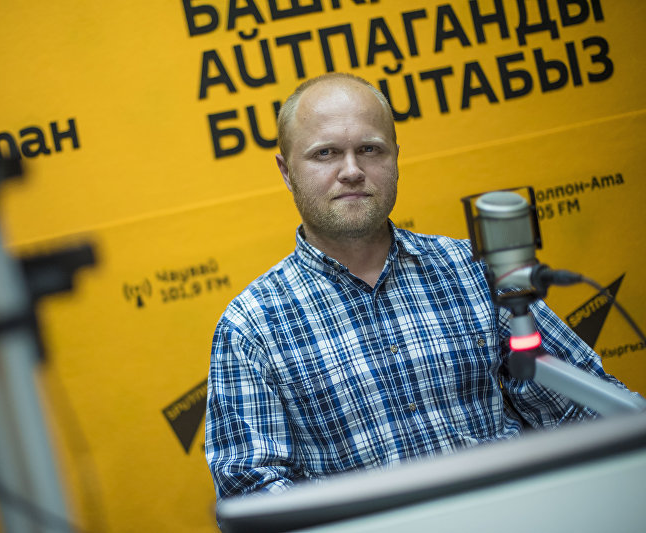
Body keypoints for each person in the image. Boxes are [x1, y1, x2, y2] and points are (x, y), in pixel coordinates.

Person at [204, 72, 633, 500]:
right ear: (287, 171)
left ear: (395, 157)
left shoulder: (474, 270)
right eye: (325, 153)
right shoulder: (251, 327)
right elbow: (253, 488)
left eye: (370, 149)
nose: (351, 171)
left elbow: (586, 407)